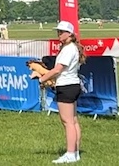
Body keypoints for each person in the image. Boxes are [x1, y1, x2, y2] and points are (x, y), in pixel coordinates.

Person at [31, 21, 85, 164]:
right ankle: (75, 152)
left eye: (62, 32)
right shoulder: (70, 48)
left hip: (66, 86)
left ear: (70, 34)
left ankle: (70, 154)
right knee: (73, 121)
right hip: (71, 85)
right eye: (58, 31)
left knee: (68, 122)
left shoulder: (68, 49)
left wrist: (41, 79)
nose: (59, 34)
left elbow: (57, 70)